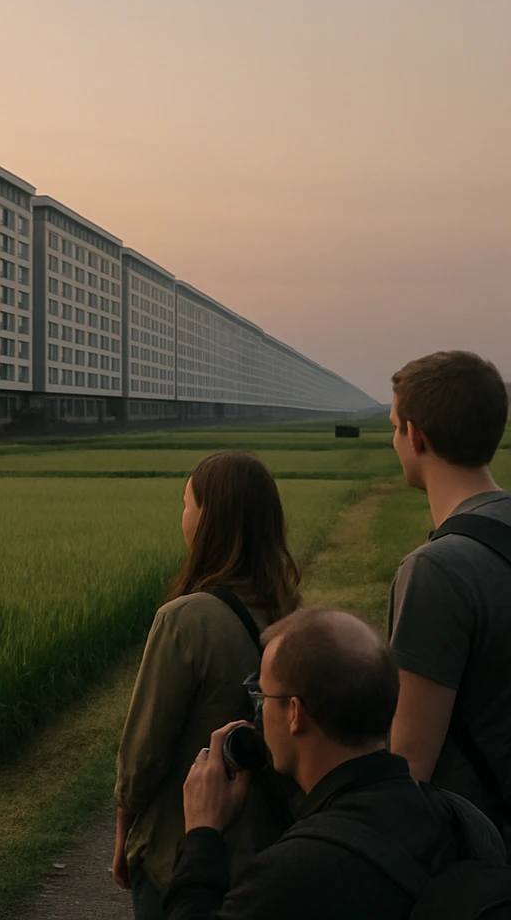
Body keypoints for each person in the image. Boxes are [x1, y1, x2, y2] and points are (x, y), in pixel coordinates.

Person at [163, 607, 506, 920]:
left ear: (295, 714)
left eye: (263, 696)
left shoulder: (289, 877)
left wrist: (202, 834)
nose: (260, 713)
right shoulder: (464, 822)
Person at [113, 451, 301, 917]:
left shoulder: (184, 619)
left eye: (187, 503)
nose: (183, 514)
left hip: (182, 856)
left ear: (208, 520)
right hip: (268, 855)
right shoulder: (292, 613)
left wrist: (123, 835)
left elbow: (144, 756)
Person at [387, 351, 511, 840]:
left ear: (416, 436)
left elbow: (410, 765)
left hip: (475, 849)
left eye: (394, 428)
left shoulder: (437, 570)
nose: (394, 441)